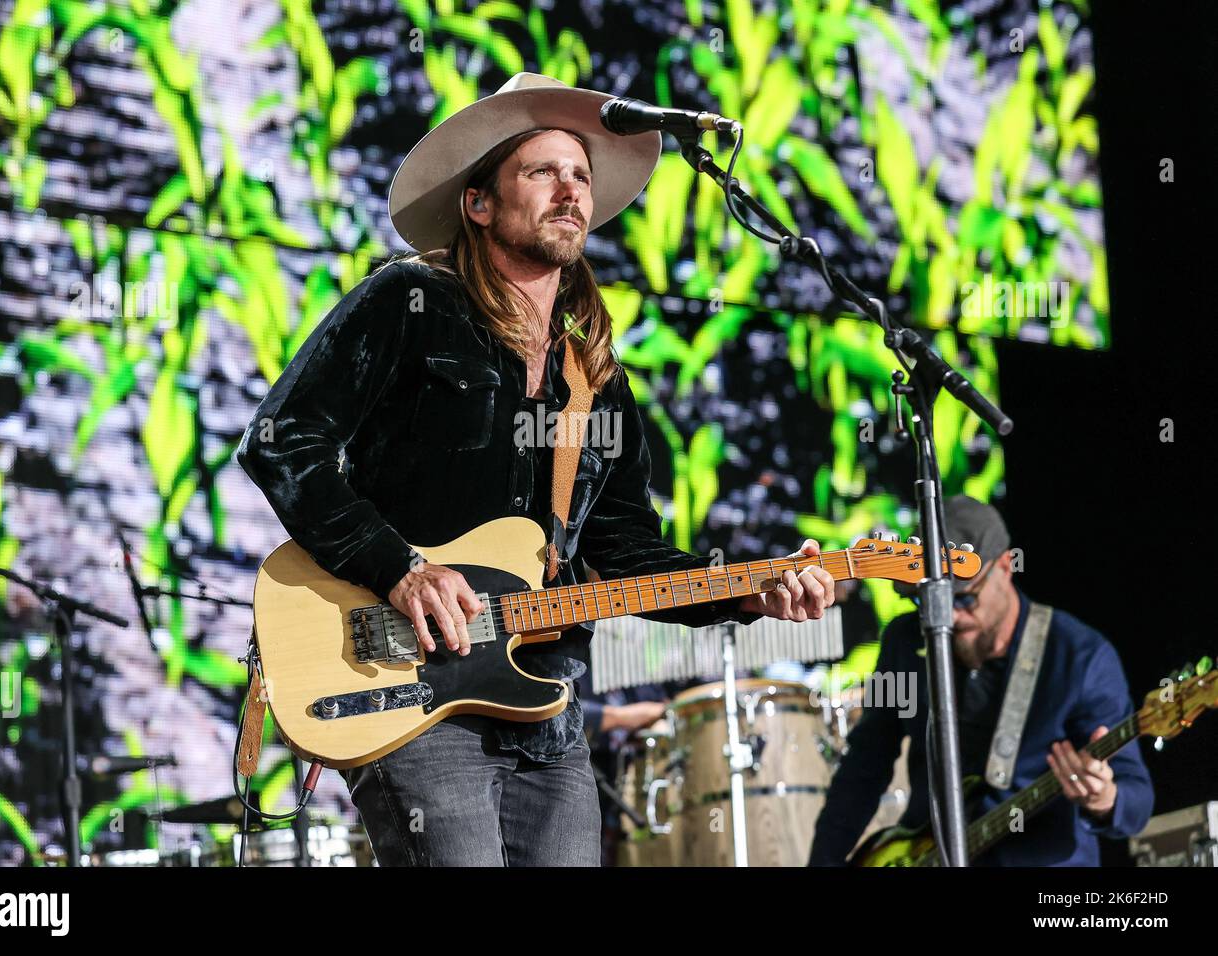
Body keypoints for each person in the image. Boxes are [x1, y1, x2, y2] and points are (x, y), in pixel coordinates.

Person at [237, 73, 835, 866]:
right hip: (410, 690)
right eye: (543, 171)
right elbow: (282, 441)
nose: (572, 190)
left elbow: (623, 550)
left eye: (582, 176)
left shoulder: (595, 375)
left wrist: (746, 588)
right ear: (478, 203)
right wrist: (402, 571)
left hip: (547, 711)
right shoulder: (408, 301)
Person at [807, 496, 1153, 866]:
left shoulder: (1080, 656)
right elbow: (864, 766)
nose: (949, 619)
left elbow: (1136, 800)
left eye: (965, 600)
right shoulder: (905, 642)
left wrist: (1104, 799)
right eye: (930, 604)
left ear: (1005, 566)